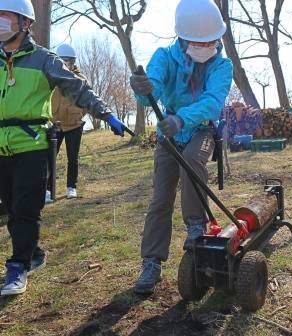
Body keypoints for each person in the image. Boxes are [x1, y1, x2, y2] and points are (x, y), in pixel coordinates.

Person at [0, 0, 128, 296]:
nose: (0, 22)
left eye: (5, 16)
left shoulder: (44, 59)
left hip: (31, 144)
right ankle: (31, 253)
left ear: (25, 23)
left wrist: (105, 113)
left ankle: (17, 267)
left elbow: (77, 88)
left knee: (26, 207)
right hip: (1, 146)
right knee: (10, 207)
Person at [129, 0, 233, 294]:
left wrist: (181, 119)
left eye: (212, 40)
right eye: (200, 42)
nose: (207, 46)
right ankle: (151, 262)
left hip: (200, 131)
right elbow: (154, 87)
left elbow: (213, 102)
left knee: (191, 160)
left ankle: (196, 225)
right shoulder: (164, 56)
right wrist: (143, 89)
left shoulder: (223, 66)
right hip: (167, 136)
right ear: (184, 38)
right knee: (160, 199)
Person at [45, 43, 87, 203]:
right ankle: (48, 190)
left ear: (73, 62)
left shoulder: (80, 79)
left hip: (74, 125)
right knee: (50, 158)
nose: (65, 64)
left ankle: (71, 187)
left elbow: (86, 103)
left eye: (68, 61)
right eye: (62, 60)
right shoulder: (51, 78)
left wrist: (77, 115)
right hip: (55, 124)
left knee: (73, 158)